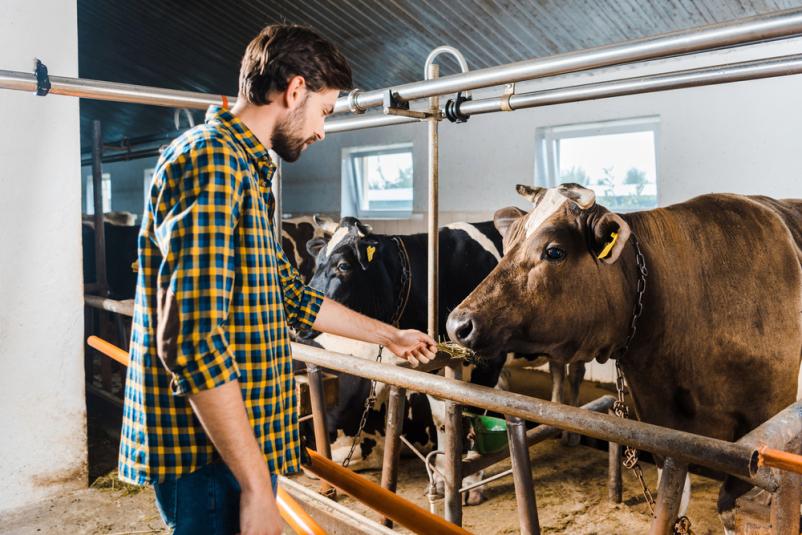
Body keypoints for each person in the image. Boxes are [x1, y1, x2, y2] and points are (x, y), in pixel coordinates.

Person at [118, 24, 436, 535]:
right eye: (324, 111)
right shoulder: (214, 163)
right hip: (212, 456)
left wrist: (390, 336)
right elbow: (190, 340)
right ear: (293, 92)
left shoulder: (246, 171)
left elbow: (290, 297)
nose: (322, 130)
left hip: (236, 441)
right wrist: (254, 488)